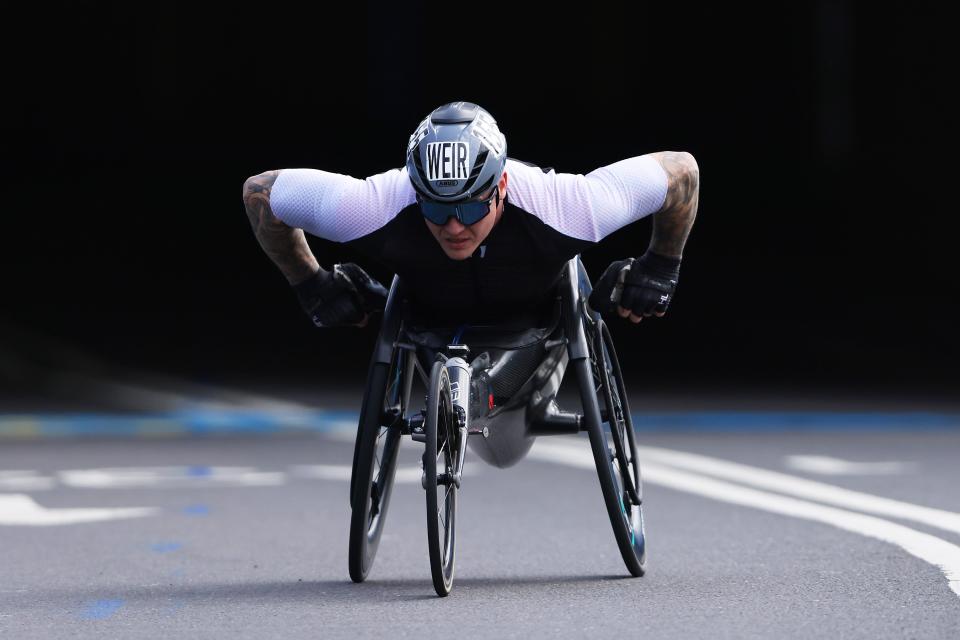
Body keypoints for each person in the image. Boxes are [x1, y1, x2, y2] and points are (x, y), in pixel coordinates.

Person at [241, 101, 699, 335]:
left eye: (470, 207)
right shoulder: (373, 204)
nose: (454, 226)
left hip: (542, 310)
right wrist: (312, 284)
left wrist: (661, 266)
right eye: (436, 208)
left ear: (501, 187)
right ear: (415, 191)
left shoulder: (569, 204)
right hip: (429, 308)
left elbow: (681, 172)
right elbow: (259, 192)